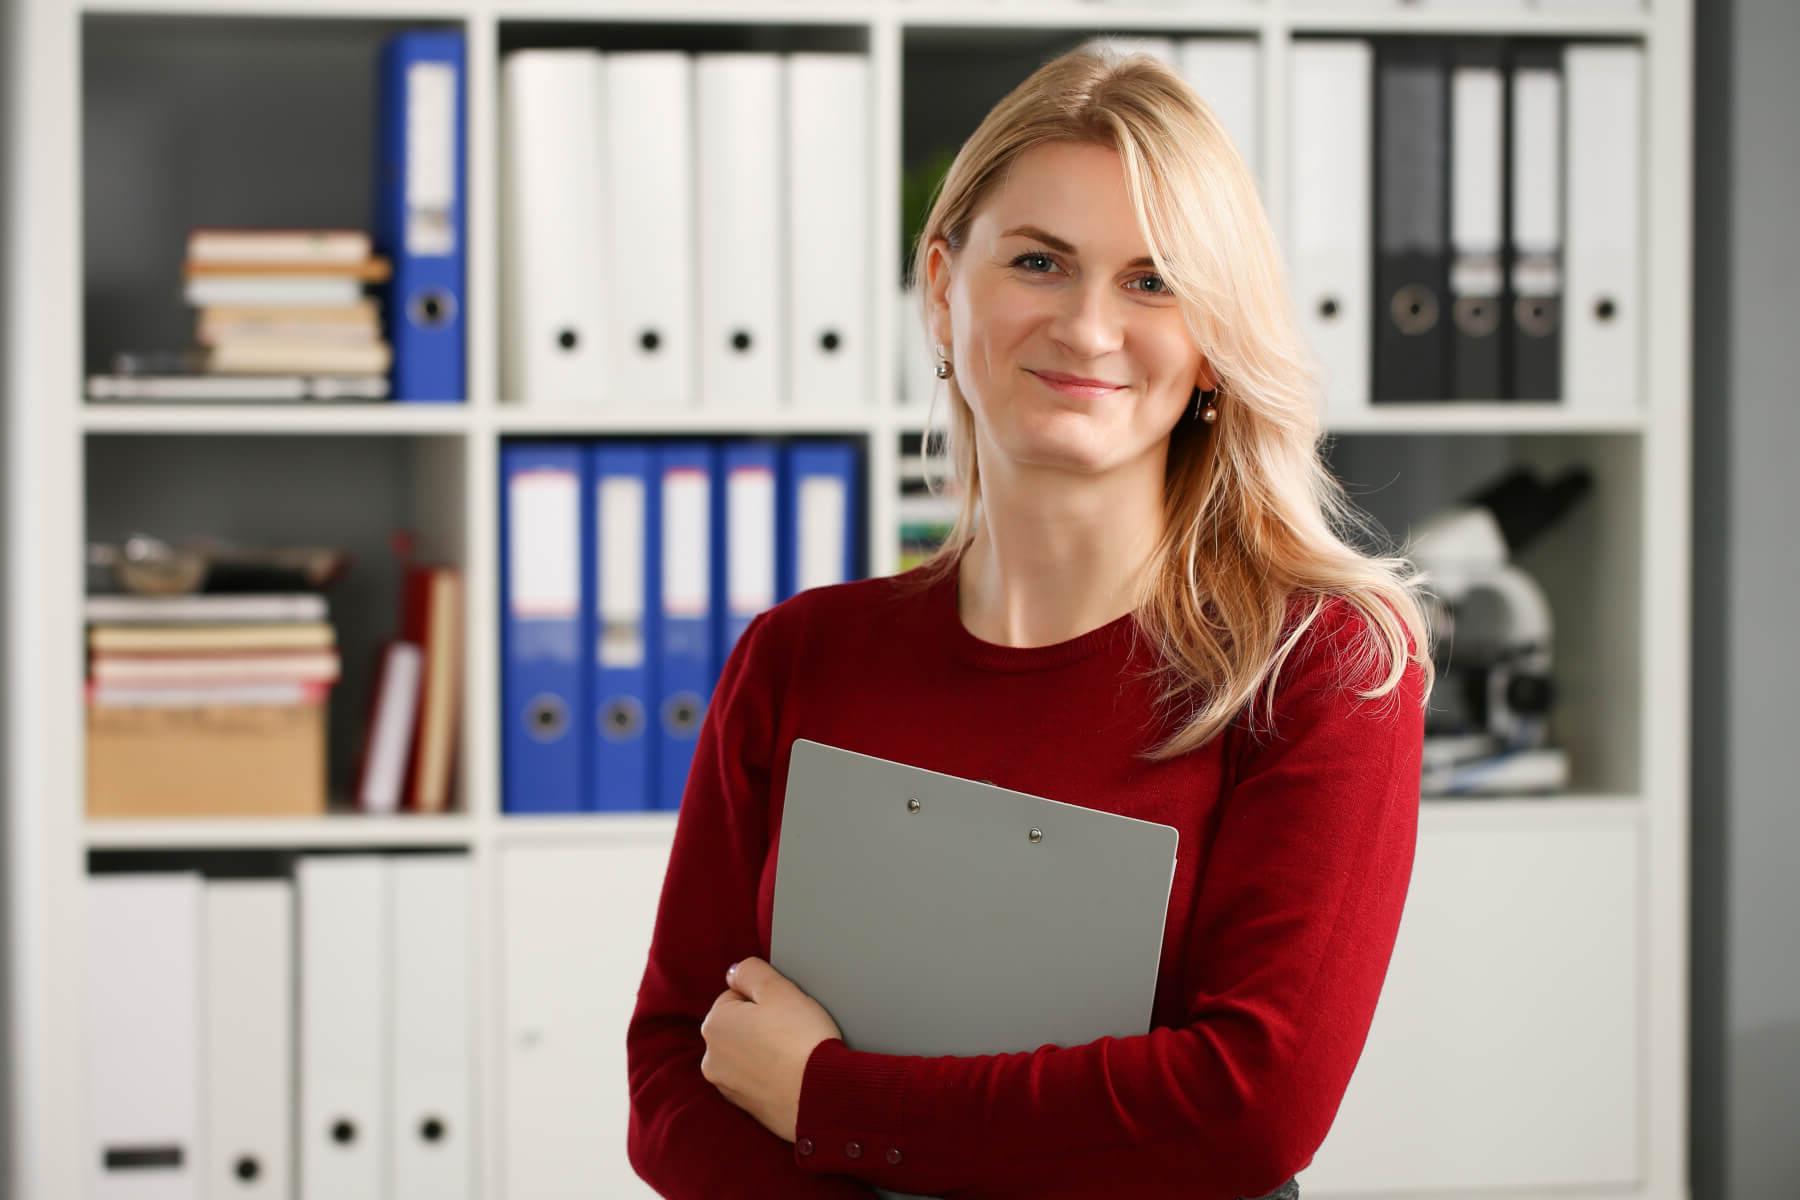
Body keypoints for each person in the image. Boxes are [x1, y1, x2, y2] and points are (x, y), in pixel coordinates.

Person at [626, 42, 1433, 1200]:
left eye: (1154, 282)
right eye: (1042, 262)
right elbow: (674, 1072)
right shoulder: (800, 657)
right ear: (945, 291)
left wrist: (828, 1099)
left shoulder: (1324, 664)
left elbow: (1252, 1108)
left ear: (1212, 344)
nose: (1090, 329)